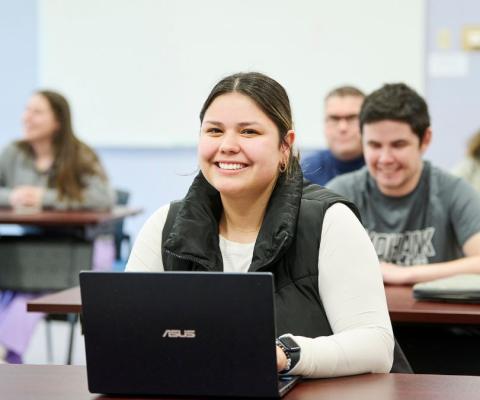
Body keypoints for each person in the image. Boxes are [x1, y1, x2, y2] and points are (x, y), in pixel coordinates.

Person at [126, 72, 394, 378]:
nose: (227, 145)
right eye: (214, 131)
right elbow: (128, 332)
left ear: (285, 146)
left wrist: (285, 354)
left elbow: (376, 347)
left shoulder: (328, 221)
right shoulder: (165, 224)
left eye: (249, 132)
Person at [0, 90, 115, 363]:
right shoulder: (14, 153)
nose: (26, 118)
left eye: (37, 112)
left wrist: (45, 198)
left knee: (23, 296)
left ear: (57, 121)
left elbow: (103, 197)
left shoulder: (79, 155)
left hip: (82, 250)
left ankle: (5, 353)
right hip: (34, 252)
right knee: (11, 287)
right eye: (27, 110)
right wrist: (12, 196)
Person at [327, 83, 480, 286]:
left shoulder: (453, 191)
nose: (385, 158)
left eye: (398, 145)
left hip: (434, 315)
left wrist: (406, 274)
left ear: (425, 140)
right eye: (374, 145)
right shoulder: (339, 193)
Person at [301, 86, 365, 186]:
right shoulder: (306, 171)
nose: (342, 127)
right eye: (334, 118)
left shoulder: (385, 168)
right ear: (325, 123)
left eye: (352, 118)